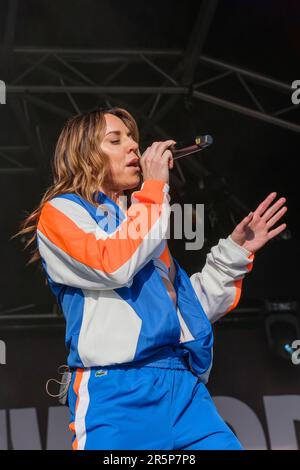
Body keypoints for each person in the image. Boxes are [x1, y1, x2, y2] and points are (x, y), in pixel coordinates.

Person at [16, 107, 287, 450]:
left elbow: (184, 312)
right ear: (84, 154)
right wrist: (154, 188)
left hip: (184, 389)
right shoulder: (63, 212)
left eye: (133, 139)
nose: (133, 147)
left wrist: (234, 252)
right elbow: (111, 263)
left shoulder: (141, 222)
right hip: (118, 393)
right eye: (116, 140)